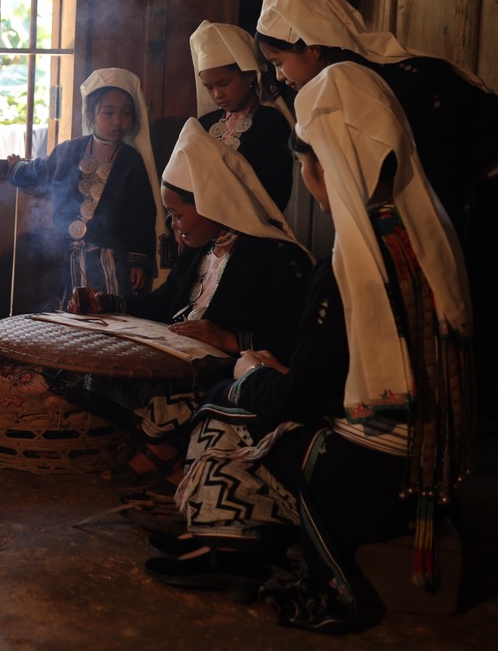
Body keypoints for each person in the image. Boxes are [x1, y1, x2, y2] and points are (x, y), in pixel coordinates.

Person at [146, 68, 473, 633]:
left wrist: (252, 368)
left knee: (226, 406)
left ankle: (232, 544)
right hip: (433, 472)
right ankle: (223, 539)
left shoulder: (349, 265)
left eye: (305, 166)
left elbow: (298, 402)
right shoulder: (424, 235)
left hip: (365, 480)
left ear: (327, 164)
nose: (307, 181)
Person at [253, 0, 498, 429]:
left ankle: (490, 412)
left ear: (311, 45)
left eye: (280, 61)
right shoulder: (349, 82)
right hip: (455, 186)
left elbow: (428, 175)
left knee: (469, 289)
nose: (281, 76)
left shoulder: (401, 83)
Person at [68, 119, 312, 489]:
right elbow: (164, 303)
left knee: (167, 389)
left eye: (179, 214)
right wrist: (109, 302)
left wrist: (232, 340)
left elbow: (294, 334)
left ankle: (166, 451)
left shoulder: (275, 256)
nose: (173, 224)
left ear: (213, 203)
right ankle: (163, 448)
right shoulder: (201, 249)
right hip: (181, 351)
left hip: (230, 365)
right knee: (94, 370)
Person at [6, 68, 165, 305]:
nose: (118, 121)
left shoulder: (131, 161)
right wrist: (17, 167)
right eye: (108, 112)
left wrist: (138, 262)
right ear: (90, 114)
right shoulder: (69, 151)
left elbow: (141, 217)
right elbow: (41, 171)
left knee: (109, 316)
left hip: (113, 260)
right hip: (69, 258)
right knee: (73, 314)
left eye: (127, 113)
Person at [191, 20, 294, 210]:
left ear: (248, 76)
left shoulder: (271, 123)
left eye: (223, 84)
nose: (217, 94)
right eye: (209, 87)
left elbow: (276, 191)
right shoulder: (205, 124)